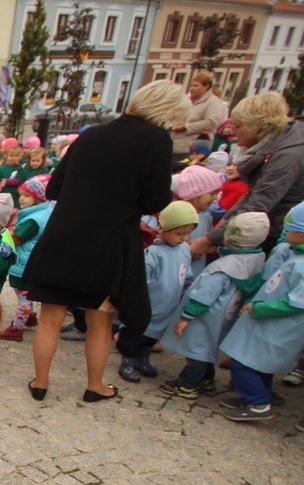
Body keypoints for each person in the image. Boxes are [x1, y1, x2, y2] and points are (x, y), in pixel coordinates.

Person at [25, 80, 189, 403]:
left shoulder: (91, 135)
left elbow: (54, 187)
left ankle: (40, 382)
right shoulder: (158, 140)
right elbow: (155, 199)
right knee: (100, 320)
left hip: (64, 235)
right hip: (110, 241)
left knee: (50, 318)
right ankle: (95, 385)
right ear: (168, 110)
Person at [160, 212, 270, 399]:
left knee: (196, 351)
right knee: (207, 349)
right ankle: (207, 381)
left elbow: (204, 294)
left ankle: (188, 385)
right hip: (223, 317)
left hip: (203, 317)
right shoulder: (255, 259)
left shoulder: (222, 268)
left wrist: (186, 317)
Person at [216, 207, 304, 422]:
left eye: (289, 228)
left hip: (277, 326)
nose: (284, 232)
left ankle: (257, 403)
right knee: (259, 363)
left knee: (243, 362)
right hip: (269, 325)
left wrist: (261, 308)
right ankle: (259, 395)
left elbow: (298, 303)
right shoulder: (295, 255)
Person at [197, 93, 304, 256]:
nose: (232, 131)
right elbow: (255, 192)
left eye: (238, 126)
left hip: (279, 231)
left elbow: (259, 203)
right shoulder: (279, 144)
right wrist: (227, 220)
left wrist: (209, 240)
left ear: (258, 128)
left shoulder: (287, 156)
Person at [117, 201, 195, 383]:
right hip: (148, 305)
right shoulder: (153, 253)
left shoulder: (184, 249)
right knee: (134, 335)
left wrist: (187, 287)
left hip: (167, 305)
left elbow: (186, 272)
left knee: (152, 337)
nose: (184, 238)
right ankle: (128, 360)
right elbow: (143, 279)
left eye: (188, 233)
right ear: (164, 228)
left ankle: (143, 357)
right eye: (179, 233)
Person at [0, 176, 52, 342]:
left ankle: (17, 327)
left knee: (23, 296)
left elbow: (17, 238)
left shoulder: (34, 220)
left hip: (24, 262)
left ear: (38, 197)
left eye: (27, 196)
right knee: (26, 293)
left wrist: (3, 238)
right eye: (21, 194)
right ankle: (31, 317)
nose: (21, 198)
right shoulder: (44, 211)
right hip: (31, 261)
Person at [170, 71, 229, 153]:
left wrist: (186, 127)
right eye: (191, 85)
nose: (192, 88)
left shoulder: (213, 102)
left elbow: (211, 122)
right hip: (175, 145)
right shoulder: (186, 100)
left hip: (194, 148)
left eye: (196, 86)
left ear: (206, 86)